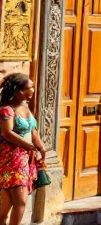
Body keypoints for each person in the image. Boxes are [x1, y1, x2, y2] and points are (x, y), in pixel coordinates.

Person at [0, 74, 43, 225]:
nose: (32, 90)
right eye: (28, 87)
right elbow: (7, 132)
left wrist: (40, 149)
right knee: (20, 202)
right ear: (18, 90)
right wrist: (29, 146)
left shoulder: (25, 108)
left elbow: (33, 130)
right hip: (12, 160)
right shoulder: (6, 110)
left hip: (25, 160)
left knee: (6, 206)